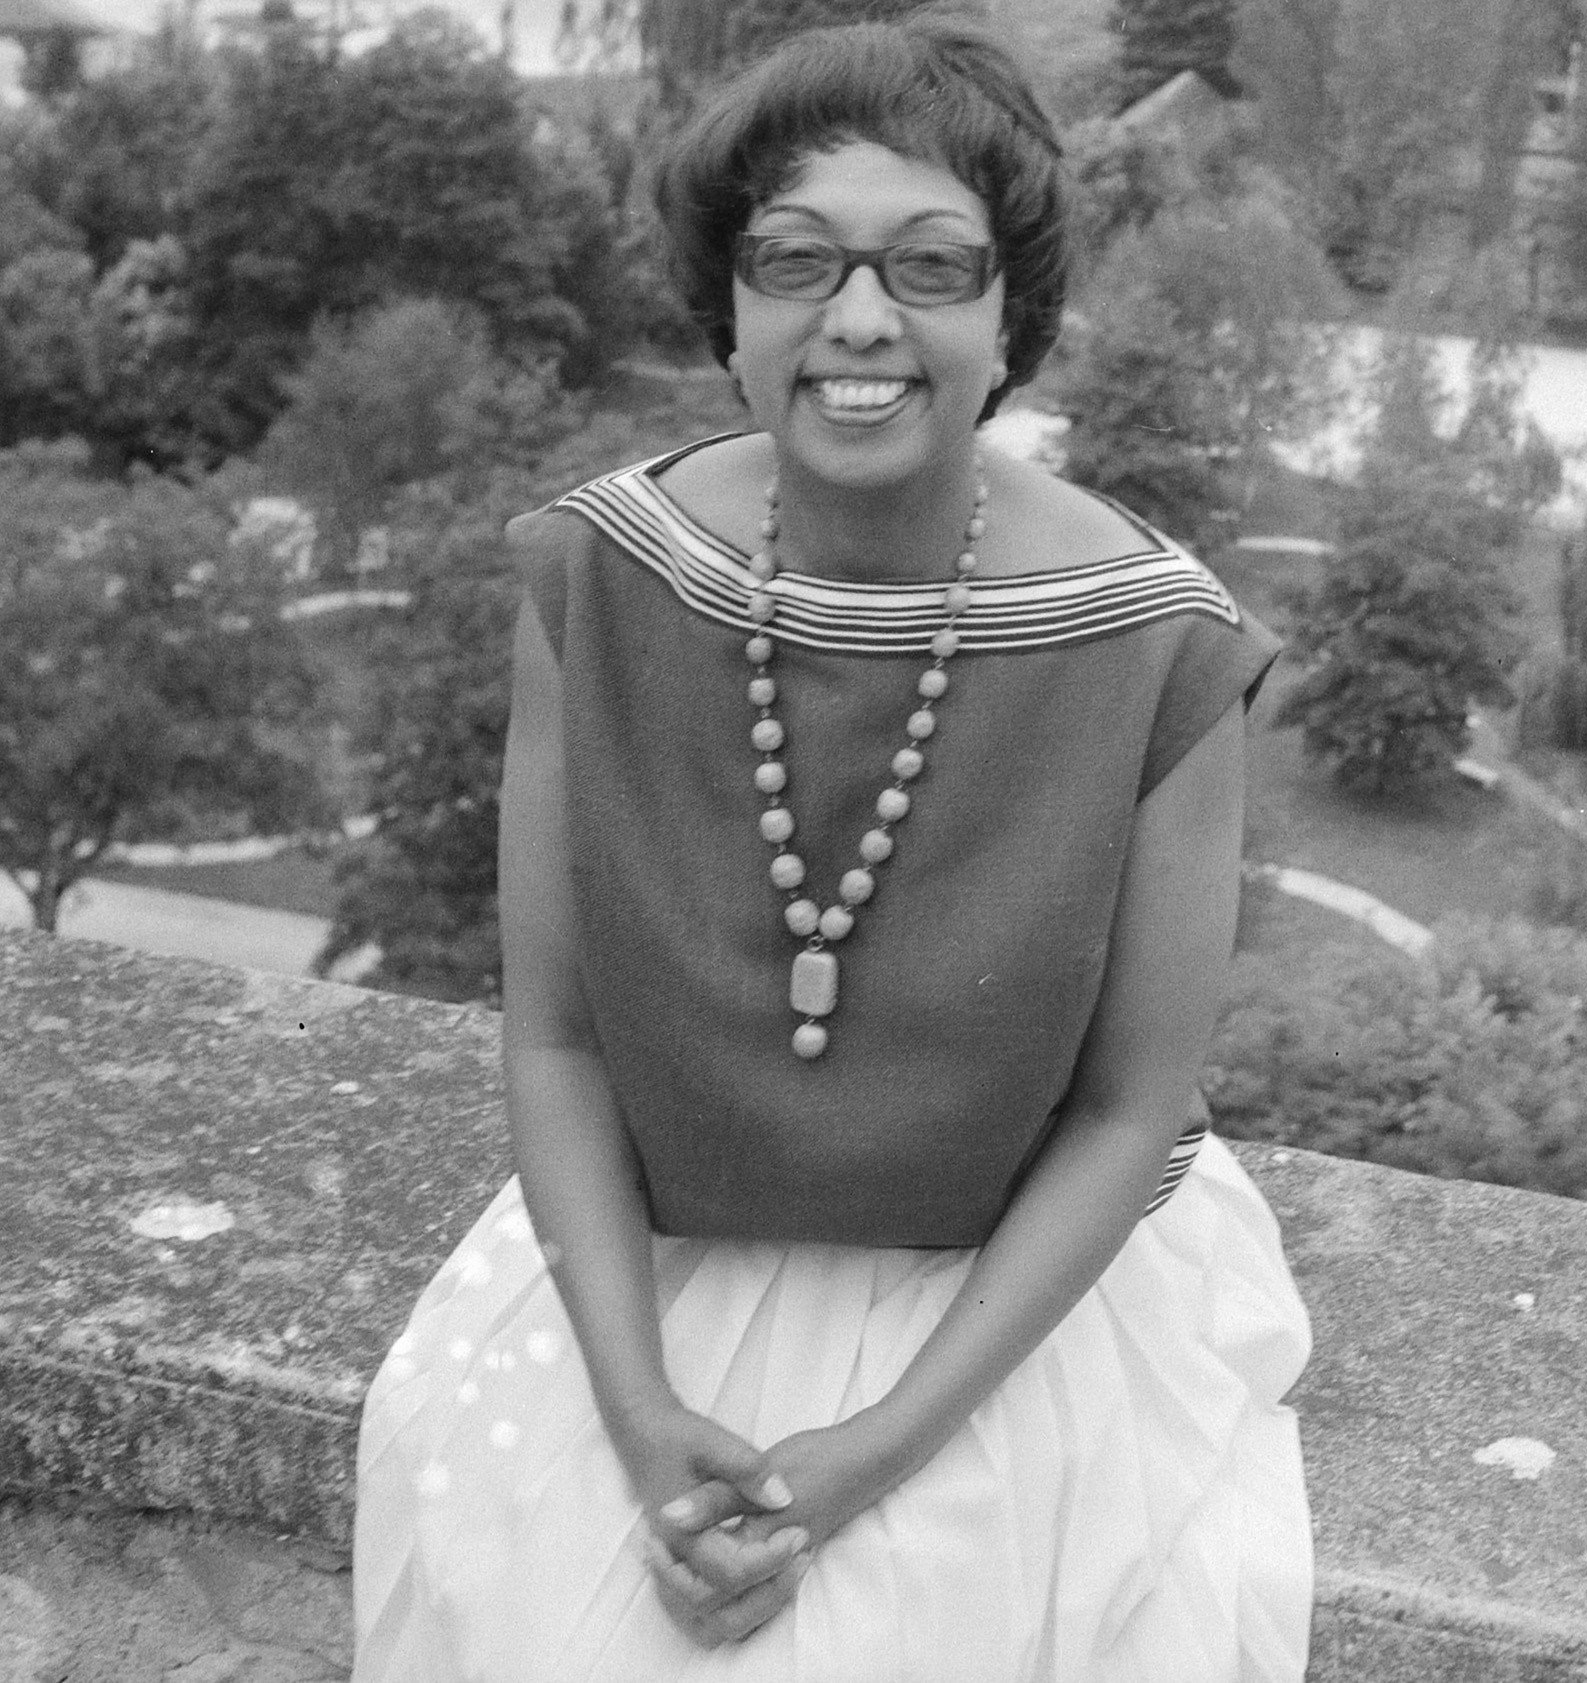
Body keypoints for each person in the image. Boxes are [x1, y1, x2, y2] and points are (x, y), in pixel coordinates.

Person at [347, 18, 1311, 1680]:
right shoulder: (594, 579)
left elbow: (1127, 1111)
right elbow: (560, 1036)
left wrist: (875, 1447)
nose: (860, 318)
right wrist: (641, 1415)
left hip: (998, 1333)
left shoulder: (1160, 645)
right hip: (628, 1297)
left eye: (932, 266)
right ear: (730, 306)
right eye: (796, 259)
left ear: (1013, 316)